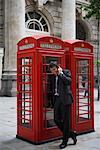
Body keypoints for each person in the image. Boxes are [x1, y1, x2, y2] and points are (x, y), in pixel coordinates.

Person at [49, 63, 77, 149]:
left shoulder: (66, 72)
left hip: (65, 99)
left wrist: (61, 74)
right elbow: (52, 88)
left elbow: (68, 81)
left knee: (66, 121)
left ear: (57, 68)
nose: (53, 72)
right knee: (56, 119)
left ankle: (65, 141)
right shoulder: (53, 76)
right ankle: (71, 134)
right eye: (51, 70)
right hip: (57, 99)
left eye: (54, 70)